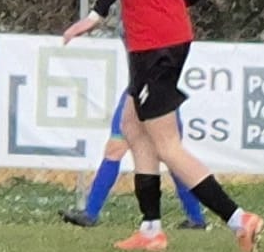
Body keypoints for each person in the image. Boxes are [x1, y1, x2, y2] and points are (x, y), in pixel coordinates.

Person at [60, 0, 264, 252]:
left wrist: (96, 15)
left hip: (152, 40)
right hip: (171, 34)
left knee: (167, 143)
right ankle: (151, 228)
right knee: (134, 127)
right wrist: (176, 5)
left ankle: (239, 219)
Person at [60, 91, 207, 230]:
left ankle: (196, 218)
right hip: (141, 95)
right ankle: (90, 213)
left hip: (157, 95)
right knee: (115, 150)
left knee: (171, 157)